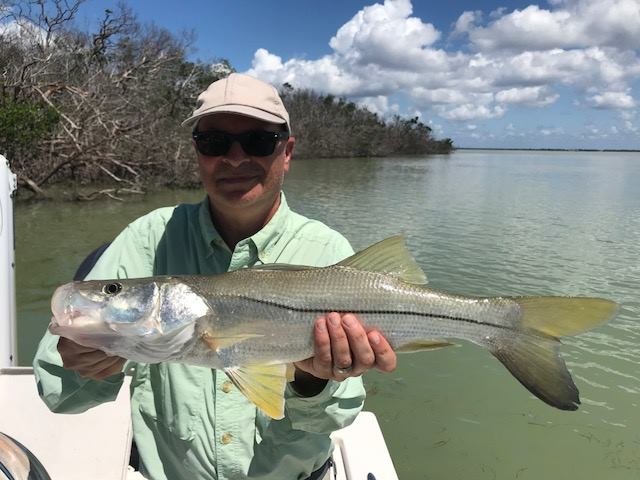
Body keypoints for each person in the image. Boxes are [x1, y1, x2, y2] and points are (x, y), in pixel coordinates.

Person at [33, 73, 397, 480]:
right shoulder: (147, 239)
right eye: (215, 142)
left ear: (287, 151)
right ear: (197, 152)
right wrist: (81, 367)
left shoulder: (327, 251)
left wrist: (311, 381)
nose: (236, 158)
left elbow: (336, 415)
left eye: (259, 141)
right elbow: (57, 394)